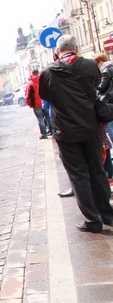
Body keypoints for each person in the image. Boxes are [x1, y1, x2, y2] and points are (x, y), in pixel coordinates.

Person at [38, 35, 113, 232]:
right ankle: (107, 214)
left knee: (78, 176)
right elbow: (95, 86)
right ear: (77, 48)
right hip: (91, 126)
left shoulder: (48, 72)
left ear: (58, 51)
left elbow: (45, 96)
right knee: (97, 170)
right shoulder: (89, 66)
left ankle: (92, 221)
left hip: (66, 130)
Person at [95, 52, 113, 182]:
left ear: (100, 62)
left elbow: (101, 87)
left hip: (109, 102)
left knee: (109, 130)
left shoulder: (106, 71)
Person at [25, 68, 51, 139]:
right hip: (44, 101)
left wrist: (30, 104)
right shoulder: (43, 80)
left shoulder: (30, 83)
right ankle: (52, 131)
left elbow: (27, 95)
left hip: (36, 104)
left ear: (32, 74)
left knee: (40, 119)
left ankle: (44, 134)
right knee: (48, 117)